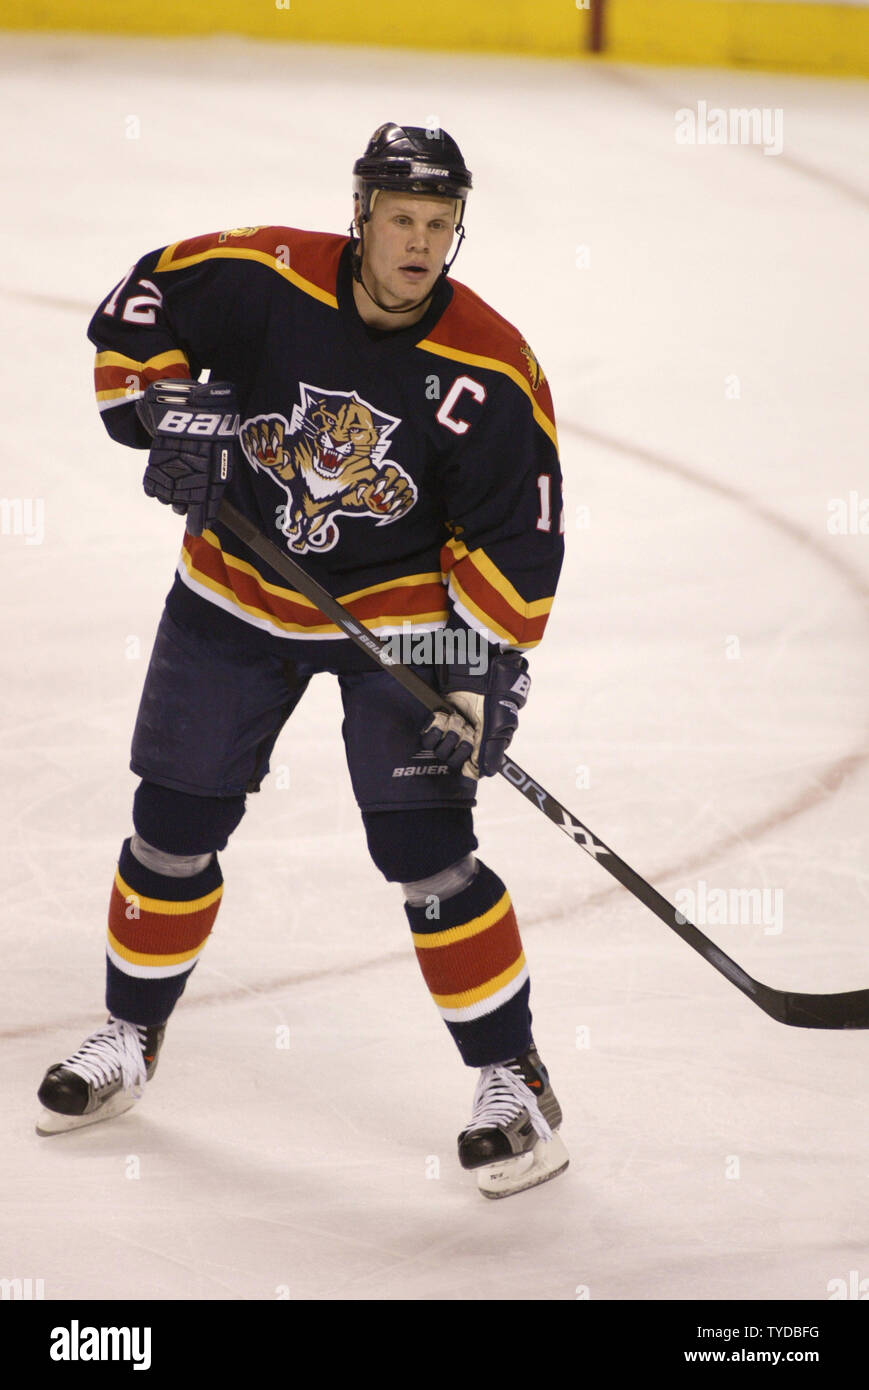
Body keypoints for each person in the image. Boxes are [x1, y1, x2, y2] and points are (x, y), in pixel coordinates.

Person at [36, 123, 567, 1199]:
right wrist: (161, 409)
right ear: (360, 214)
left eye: (438, 223)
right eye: (400, 219)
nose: (418, 244)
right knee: (172, 825)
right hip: (234, 591)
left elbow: (517, 535)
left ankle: (515, 1083)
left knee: (427, 852)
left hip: (400, 618)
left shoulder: (487, 367)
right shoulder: (260, 275)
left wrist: (478, 667)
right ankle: (128, 1038)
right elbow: (142, 303)